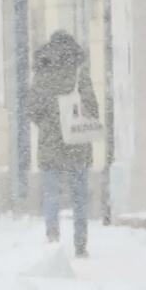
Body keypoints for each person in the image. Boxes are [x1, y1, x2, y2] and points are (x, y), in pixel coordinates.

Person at [29, 31, 99, 257]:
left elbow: (32, 109)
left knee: (51, 194)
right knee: (79, 196)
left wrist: (48, 123)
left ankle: (52, 237)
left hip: (50, 143)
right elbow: (92, 106)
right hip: (76, 141)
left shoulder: (41, 74)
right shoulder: (79, 72)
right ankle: (80, 243)